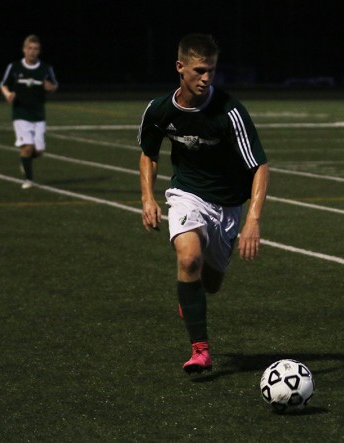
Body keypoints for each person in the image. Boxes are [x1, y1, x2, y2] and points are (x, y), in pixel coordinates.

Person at [138, 34, 270, 374]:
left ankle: (189, 298)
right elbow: (149, 154)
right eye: (199, 70)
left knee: (210, 284)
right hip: (186, 195)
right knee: (189, 258)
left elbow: (259, 166)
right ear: (180, 67)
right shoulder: (159, 110)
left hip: (226, 207)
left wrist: (252, 219)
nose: (206, 77)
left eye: (211, 70)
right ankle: (200, 351)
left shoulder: (230, 112)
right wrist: (148, 198)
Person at [0, 34, 58, 189]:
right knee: (27, 147)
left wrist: (50, 87)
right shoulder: (14, 67)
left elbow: (54, 85)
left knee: (39, 151)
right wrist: (8, 95)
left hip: (38, 114)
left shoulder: (46, 68)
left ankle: (24, 160)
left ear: (39, 51)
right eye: (30, 48)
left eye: (36, 49)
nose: (32, 51)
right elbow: (3, 84)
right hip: (21, 113)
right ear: (24, 49)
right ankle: (28, 180)